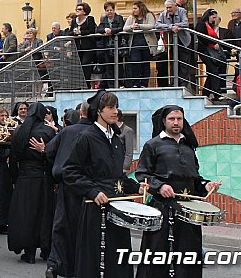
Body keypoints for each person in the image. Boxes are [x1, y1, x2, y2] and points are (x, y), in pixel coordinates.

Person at [63, 91, 146, 278]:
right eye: (110, 107)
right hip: (95, 208)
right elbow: (70, 171)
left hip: (117, 206)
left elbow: (117, 177)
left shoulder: (116, 139)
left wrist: (136, 187)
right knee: (96, 258)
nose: (116, 111)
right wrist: (91, 191)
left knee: (118, 255)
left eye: (116, 107)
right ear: (99, 111)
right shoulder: (87, 137)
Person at [135, 105, 221, 278]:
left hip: (188, 208)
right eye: (171, 119)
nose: (176, 122)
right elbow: (142, 174)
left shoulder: (189, 146)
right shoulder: (153, 145)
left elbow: (194, 178)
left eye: (179, 119)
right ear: (164, 121)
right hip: (162, 207)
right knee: (158, 252)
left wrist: (206, 185)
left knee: (188, 252)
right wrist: (159, 186)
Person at [45, 101, 91, 278]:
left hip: (67, 184)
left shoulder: (68, 131)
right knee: (84, 227)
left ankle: (55, 264)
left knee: (62, 225)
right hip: (89, 187)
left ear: (81, 113)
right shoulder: (96, 133)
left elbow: (50, 151)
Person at [8, 102, 55, 263]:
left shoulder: (19, 132)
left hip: (24, 179)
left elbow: (13, 158)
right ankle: (46, 250)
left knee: (26, 216)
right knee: (44, 214)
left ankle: (29, 253)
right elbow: (54, 157)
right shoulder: (48, 131)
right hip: (43, 179)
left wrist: (16, 178)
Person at [155, 0, 192, 88]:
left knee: (184, 62)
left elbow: (185, 23)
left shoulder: (182, 11)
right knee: (173, 62)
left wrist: (177, 26)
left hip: (184, 41)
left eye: (170, 7)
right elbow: (157, 25)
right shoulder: (164, 14)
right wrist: (170, 27)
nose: (168, 10)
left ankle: (183, 83)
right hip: (172, 42)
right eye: (167, 8)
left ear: (175, 6)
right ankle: (173, 82)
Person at [123, 1, 158, 88]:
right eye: (133, 8)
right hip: (135, 45)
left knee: (145, 64)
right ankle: (136, 83)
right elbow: (125, 28)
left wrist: (140, 26)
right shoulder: (131, 18)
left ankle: (144, 83)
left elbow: (151, 26)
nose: (133, 10)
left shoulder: (149, 15)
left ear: (140, 8)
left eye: (135, 8)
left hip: (147, 45)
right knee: (135, 63)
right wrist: (131, 27)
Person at [196, 9, 228, 100]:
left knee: (212, 72)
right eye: (213, 17)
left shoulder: (210, 26)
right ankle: (217, 93)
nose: (214, 19)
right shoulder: (202, 25)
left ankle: (205, 93)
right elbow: (202, 37)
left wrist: (228, 49)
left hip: (211, 51)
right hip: (205, 51)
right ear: (208, 16)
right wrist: (213, 44)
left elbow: (217, 39)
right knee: (213, 71)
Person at [96, 1, 125, 88]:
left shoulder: (119, 18)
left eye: (111, 10)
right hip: (107, 46)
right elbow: (98, 29)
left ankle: (120, 84)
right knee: (109, 66)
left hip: (117, 46)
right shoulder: (104, 19)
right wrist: (105, 30)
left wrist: (111, 31)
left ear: (114, 10)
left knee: (119, 66)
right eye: (107, 10)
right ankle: (111, 85)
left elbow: (121, 28)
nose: (109, 12)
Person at [70, 2, 97, 88]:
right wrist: (74, 32)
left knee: (85, 64)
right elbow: (69, 32)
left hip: (88, 47)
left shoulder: (90, 19)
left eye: (79, 9)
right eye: (77, 9)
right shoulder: (74, 21)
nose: (77, 11)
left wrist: (81, 32)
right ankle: (78, 84)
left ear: (85, 11)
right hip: (77, 47)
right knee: (78, 65)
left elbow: (92, 30)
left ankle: (86, 84)